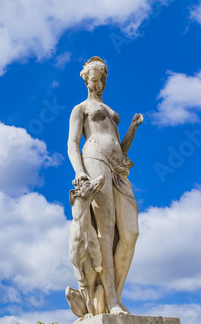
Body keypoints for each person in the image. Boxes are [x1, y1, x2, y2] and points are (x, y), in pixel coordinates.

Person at [67, 56, 143, 315]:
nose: (99, 85)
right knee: (106, 231)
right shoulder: (81, 109)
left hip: (119, 166)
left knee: (130, 233)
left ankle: (116, 294)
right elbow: (72, 143)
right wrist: (79, 171)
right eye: (95, 80)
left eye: (103, 81)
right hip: (94, 159)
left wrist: (131, 128)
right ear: (87, 79)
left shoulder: (109, 110)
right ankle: (110, 300)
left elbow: (120, 148)